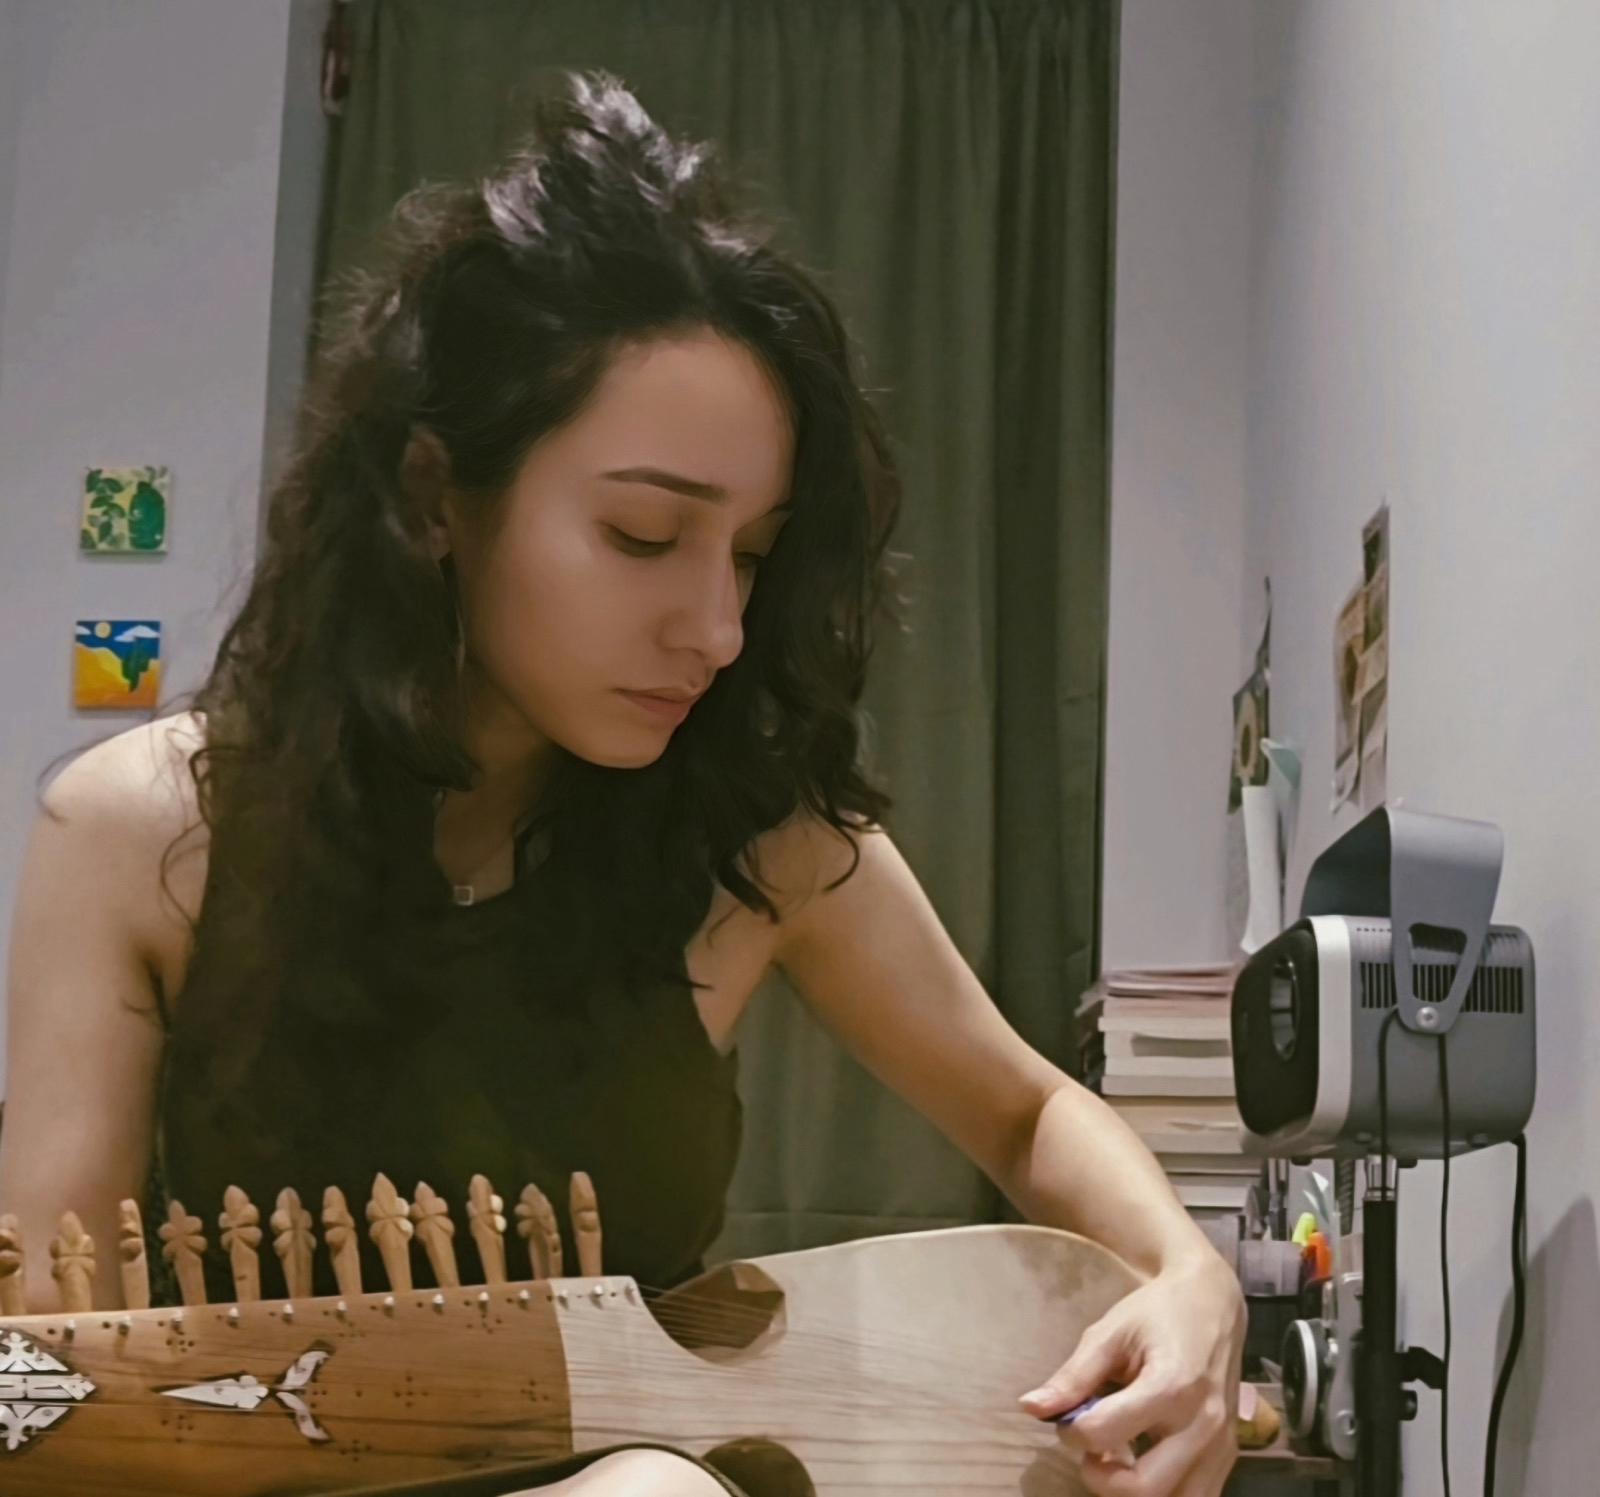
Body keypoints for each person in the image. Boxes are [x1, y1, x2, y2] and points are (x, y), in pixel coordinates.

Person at [0, 71, 1243, 1497]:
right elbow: (52, 1395)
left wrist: (1192, 1277)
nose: (716, 628)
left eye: (754, 555)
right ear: (431, 498)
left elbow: (1024, 1110)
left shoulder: (753, 837)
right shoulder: (142, 835)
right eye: (645, 535)